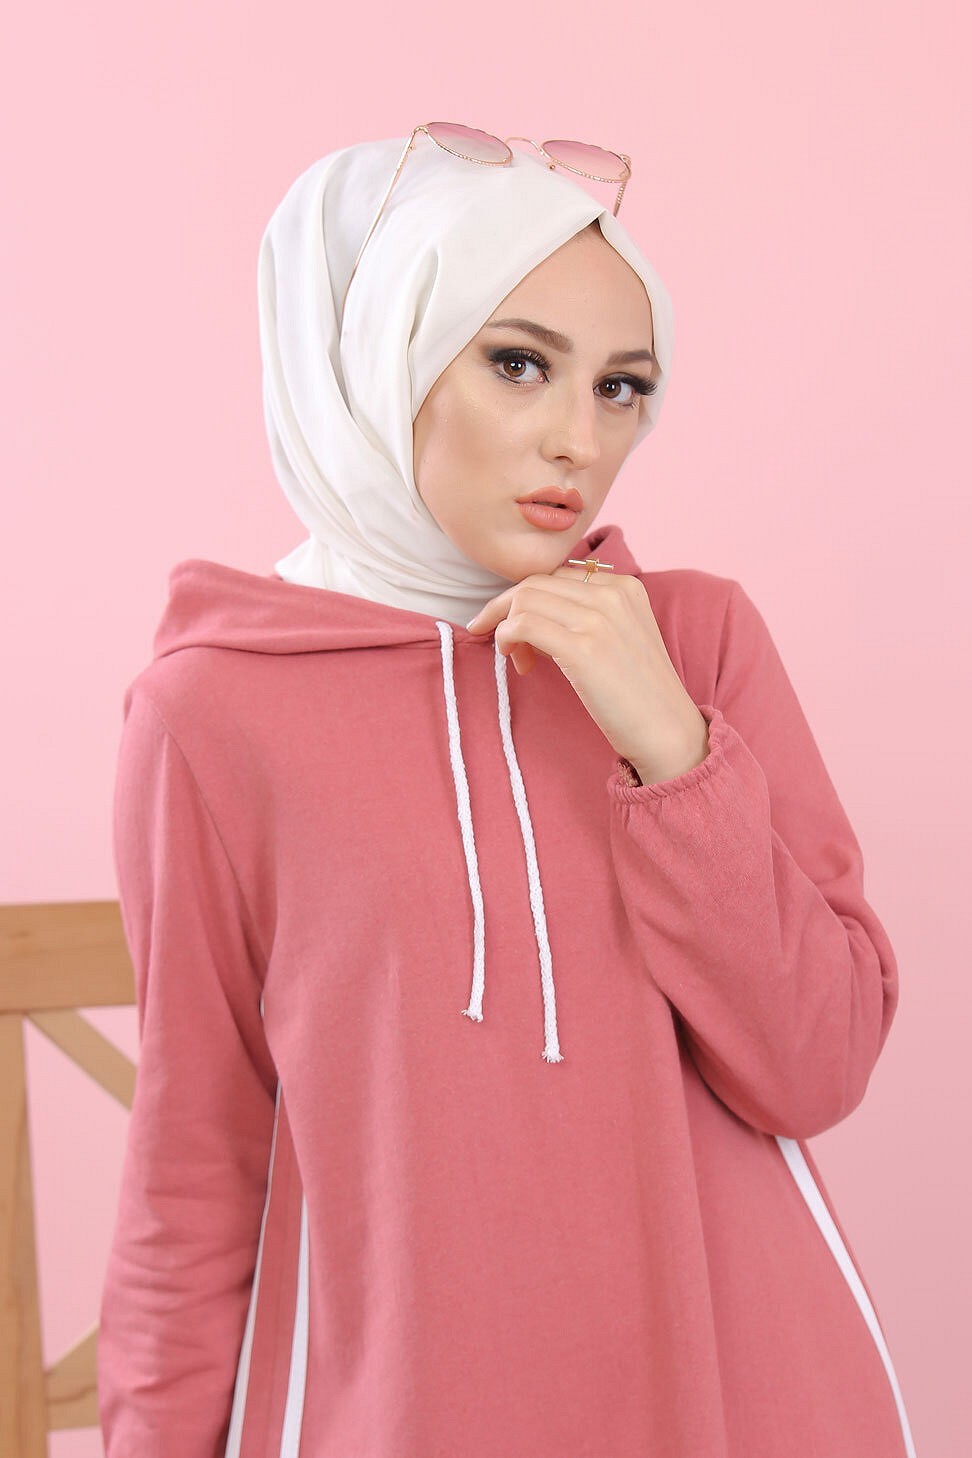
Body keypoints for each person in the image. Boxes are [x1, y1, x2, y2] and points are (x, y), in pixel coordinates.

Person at [97, 129, 917, 1457]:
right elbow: (194, 1166)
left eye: (621, 387)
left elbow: (817, 1064)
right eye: (520, 363)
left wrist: (671, 744)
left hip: (739, 1408)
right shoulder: (212, 712)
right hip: (400, 1415)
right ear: (388, 354)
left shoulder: (695, 642)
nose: (578, 440)